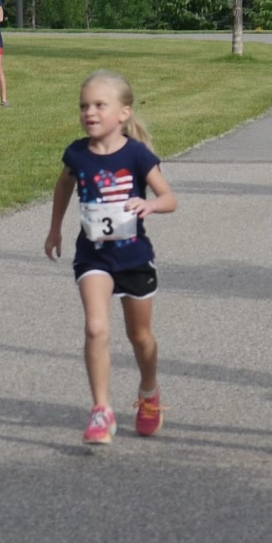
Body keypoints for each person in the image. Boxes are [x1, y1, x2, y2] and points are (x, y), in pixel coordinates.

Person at [44, 71, 178, 445]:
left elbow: (170, 198)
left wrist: (149, 204)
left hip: (133, 258)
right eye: (84, 106)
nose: (90, 112)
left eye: (99, 105)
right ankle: (101, 410)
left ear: (123, 113)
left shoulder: (137, 154)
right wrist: (55, 229)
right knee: (96, 327)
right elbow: (64, 183)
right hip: (93, 257)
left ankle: (149, 393)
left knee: (140, 337)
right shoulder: (77, 153)